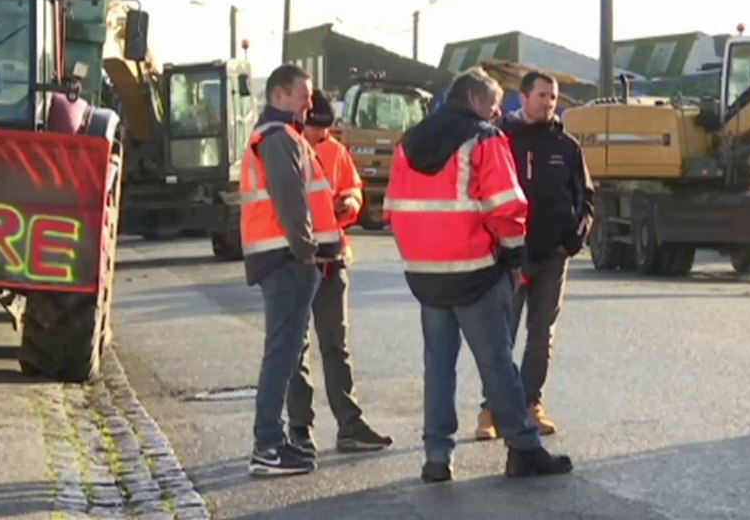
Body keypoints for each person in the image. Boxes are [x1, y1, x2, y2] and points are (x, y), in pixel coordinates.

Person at [383, 67, 573, 483]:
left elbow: (392, 209)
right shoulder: (484, 138)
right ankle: (523, 449)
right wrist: (511, 259)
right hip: (475, 270)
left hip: (426, 273)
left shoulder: (408, 142)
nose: (496, 111)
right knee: (497, 364)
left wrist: (419, 255)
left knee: (438, 365)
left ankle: (437, 456)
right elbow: (506, 207)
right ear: (473, 100)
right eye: (492, 103)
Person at [476, 71, 594, 440]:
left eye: (553, 97)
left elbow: (585, 199)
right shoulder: (499, 140)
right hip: (507, 256)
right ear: (522, 97)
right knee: (501, 335)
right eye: (542, 95)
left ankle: (531, 403)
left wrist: (572, 241)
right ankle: (492, 409)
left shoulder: (567, 146)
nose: (549, 102)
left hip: (553, 255)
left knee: (541, 333)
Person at [242, 64, 344, 477]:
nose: (310, 102)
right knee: (282, 354)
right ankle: (268, 446)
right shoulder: (280, 138)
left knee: (284, 353)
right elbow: (291, 202)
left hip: (285, 259)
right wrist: (307, 253)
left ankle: (272, 442)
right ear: (280, 96)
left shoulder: (279, 137)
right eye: (304, 95)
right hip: (288, 260)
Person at [286, 89, 394, 456]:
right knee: (294, 349)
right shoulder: (282, 148)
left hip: (332, 261)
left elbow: (354, 189)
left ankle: (349, 424)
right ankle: (300, 428)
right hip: (294, 264)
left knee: (336, 346)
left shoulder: (334, 150)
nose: (322, 137)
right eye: (317, 129)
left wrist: (350, 202)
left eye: (326, 130)